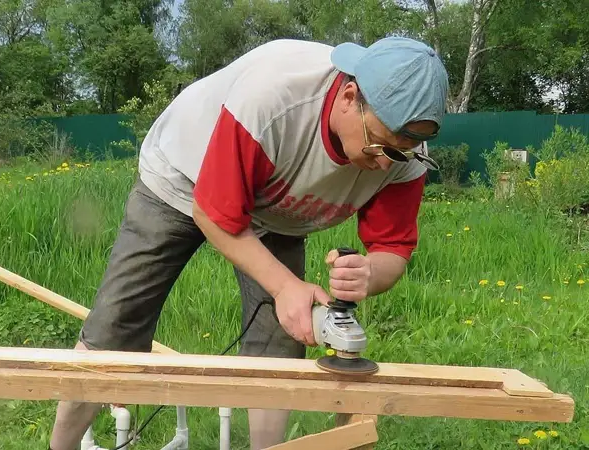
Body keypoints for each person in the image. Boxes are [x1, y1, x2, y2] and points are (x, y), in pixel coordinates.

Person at [48, 35, 448, 450]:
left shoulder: (403, 154)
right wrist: (284, 285)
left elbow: (393, 250)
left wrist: (369, 273)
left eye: (400, 152)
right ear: (350, 96)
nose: (386, 162)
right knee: (114, 329)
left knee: (279, 342)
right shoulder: (274, 99)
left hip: (278, 204)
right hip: (183, 177)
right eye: (380, 144)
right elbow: (214, 213)